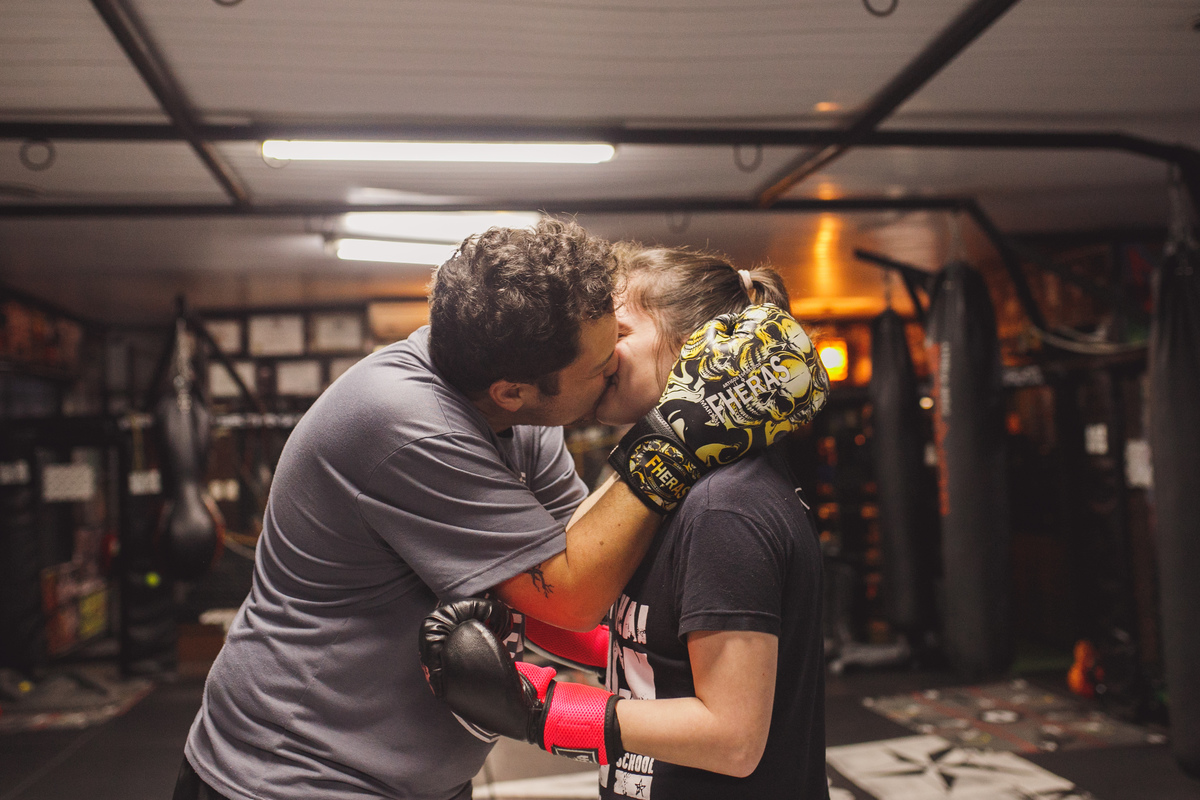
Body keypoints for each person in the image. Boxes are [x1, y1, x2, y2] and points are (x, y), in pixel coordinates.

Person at [176, 221, 818, 800]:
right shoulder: (404, 422)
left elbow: (586, 566)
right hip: (292, 773)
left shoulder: (546, 422)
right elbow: (568, 593)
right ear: (511, 391)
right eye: (598, 360)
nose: (609, 368)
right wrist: (676, 433)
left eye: (618, 338)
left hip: (417, 775)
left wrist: (563, 701)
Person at [420, 246, 830, 800]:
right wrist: (522, 617)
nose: (601, 353)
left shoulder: (725, 506)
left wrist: (543, 712)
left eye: (622, 331)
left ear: (696, 348)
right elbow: (657, 645)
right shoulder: (665, 486)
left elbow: (733, 737)